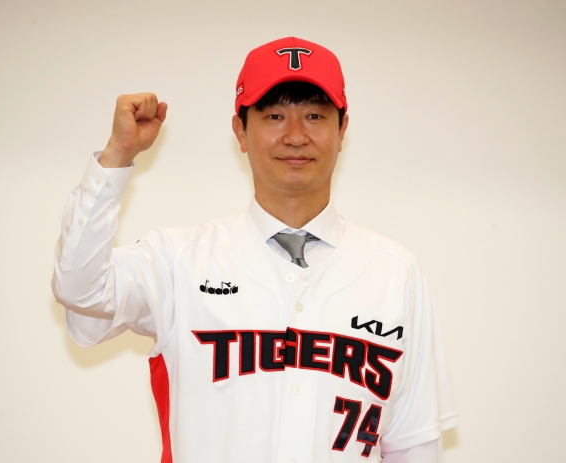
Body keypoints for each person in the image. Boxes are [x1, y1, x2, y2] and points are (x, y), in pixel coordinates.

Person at [52, 36, 457, 463]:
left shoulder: (394, 272)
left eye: (315, 115)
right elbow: (82, 291)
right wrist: (118, 154)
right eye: (275, 115)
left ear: (343, 131)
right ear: (240, 132)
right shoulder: (179, 258)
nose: (296, 136)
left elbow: (413, 444)